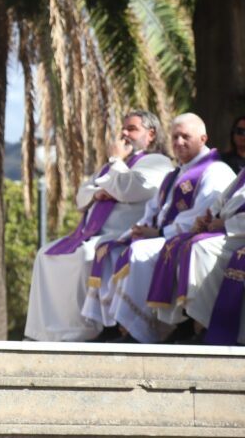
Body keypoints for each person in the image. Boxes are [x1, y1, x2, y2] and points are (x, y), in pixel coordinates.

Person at [25, 110, 171, 342]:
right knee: (45, 254)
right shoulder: (112, 166)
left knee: (85, 256)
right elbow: (82, 194)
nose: (124, 133)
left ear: (151, 134)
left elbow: (130, 189)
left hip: (123, 235)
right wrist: (98, 193)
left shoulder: (157, 162)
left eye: (132, 129)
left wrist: (115, 162)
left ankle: (82, 331)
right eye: (123, 128)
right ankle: (45, 332)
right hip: (91, 233)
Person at [108, 113, 235, 343]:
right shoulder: (173, 174)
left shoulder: (216, 171)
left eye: (186, 136)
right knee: (116, 250)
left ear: (203, 138)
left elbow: (198, 216)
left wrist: (157, 234)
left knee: (141, 252)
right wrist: (139, 230)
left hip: (192, 238)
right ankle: (121, 328)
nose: (178, 142)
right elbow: (153, 210)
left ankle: (144, 332)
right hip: (165, 236)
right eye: (175, 137)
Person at [151, 165, 245, 343]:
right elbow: (223, 199)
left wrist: (225, 224)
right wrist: (209, 217)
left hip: (239, 234)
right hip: (231, 231)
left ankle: (206, 325)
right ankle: (185, 325)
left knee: (201, 248)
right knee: (179, 245)